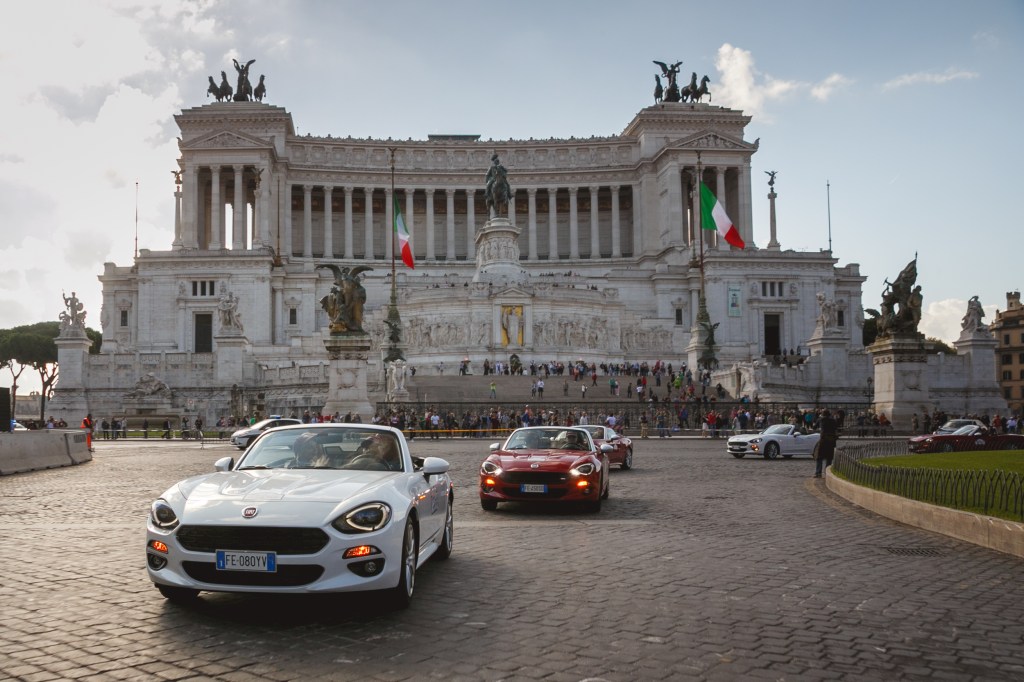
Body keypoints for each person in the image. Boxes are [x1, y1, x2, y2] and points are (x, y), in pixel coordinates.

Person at [814, 409, 839, 478]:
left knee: (819, 456)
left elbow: (814, 427)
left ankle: (818, 472)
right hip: (832, 440)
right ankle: (827, 472)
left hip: (823, 440)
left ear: (823, 414)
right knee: (829, 457)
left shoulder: (821, 419)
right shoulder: (833, 420)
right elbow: (836, 429)